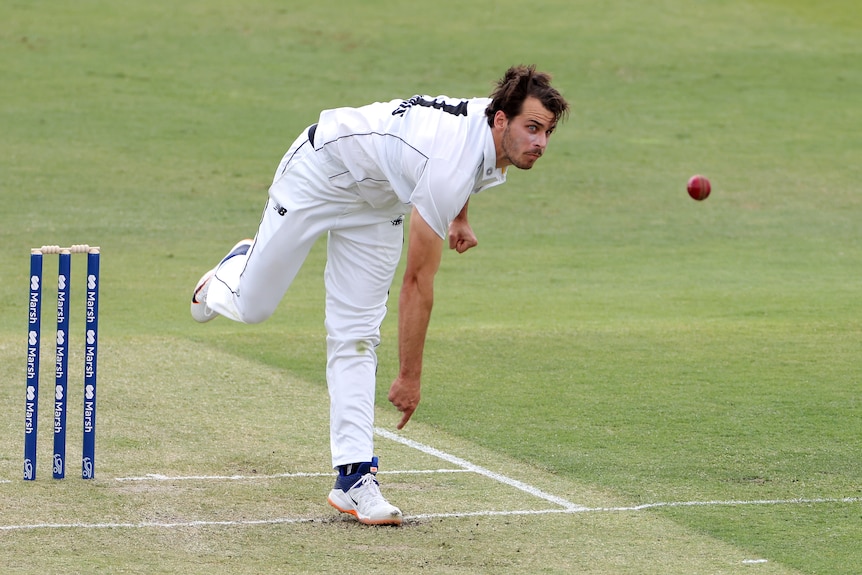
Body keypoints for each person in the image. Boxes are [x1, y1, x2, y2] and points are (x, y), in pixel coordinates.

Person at [190, 65, 569, 525]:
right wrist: (409, 376)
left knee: (356, 335)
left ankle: (354, 479)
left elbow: (458, 172)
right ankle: (231, 271)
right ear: (501, 121)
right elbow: (416, 283)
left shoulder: (486, 132)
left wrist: (457, 217)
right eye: (533, 128)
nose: (541, 143)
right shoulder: (454, 160)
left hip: (380, 202)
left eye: (547, 132)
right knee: (253, 307)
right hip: (322, 171)